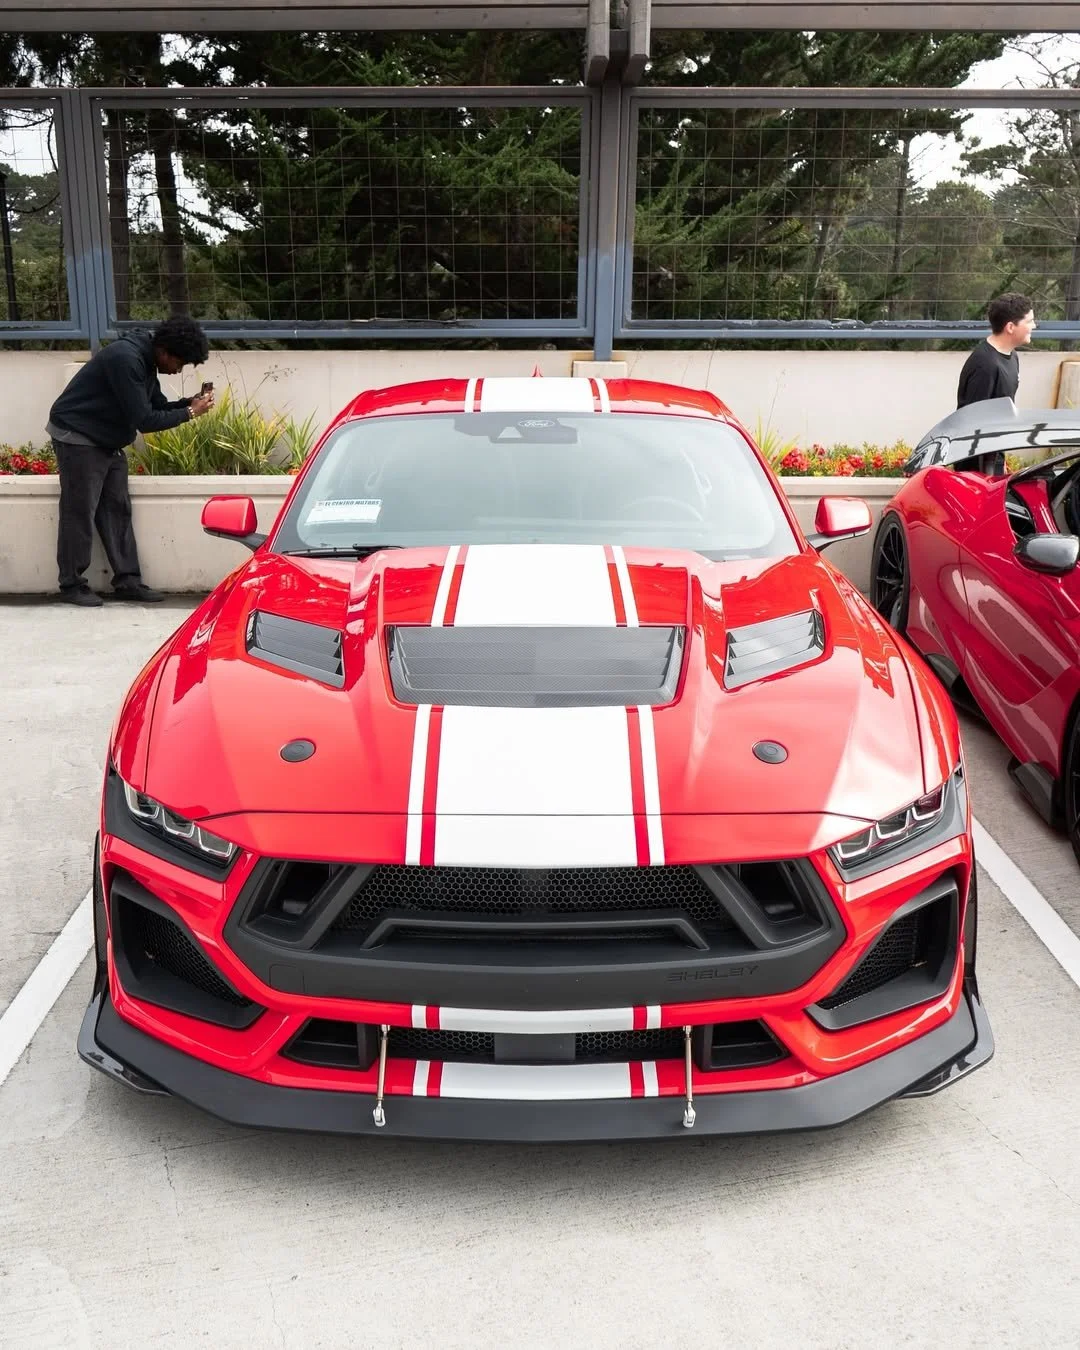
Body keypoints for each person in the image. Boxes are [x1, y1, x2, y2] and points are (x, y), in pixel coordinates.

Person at [47, 316, 216, 606]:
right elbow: (146, 420)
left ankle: (128, 582)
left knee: (117, 510)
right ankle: (72, 585)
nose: (178, 370)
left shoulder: (145, 360)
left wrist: (189, 402)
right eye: (180, 363)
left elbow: (156, 406)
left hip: (107, 438)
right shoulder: (126, 359)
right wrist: (190, 414)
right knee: (80, 512)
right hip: (78, 435)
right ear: (165, 351)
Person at [956, 293, 1037, 410]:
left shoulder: (1012, 355)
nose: (1034, 326)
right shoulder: (985, 366)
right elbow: (973, 419)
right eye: (1029, 321)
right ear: (1010, 327)